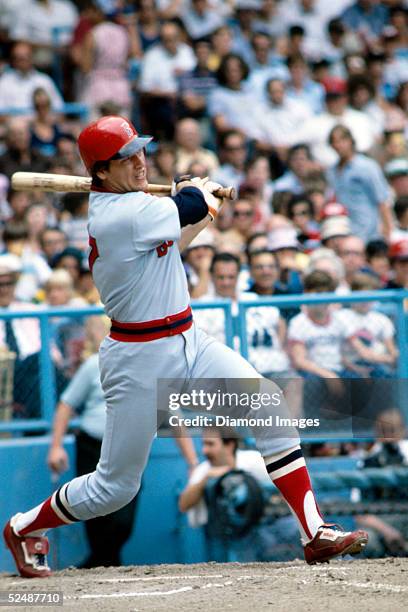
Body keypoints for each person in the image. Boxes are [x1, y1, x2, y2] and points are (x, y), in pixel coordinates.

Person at [3, 115, 368, 578]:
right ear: (100, 172)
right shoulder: (119, 214)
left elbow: (175, 238)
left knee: (268, 406)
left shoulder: (136, 207)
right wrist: (195, 189)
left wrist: (201, 204)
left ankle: (313, 532)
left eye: (141, 151)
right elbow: (188, 207)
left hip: (188, 338)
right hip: (138, 357)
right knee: (113, 489)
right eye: (127, 157)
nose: (139, 162)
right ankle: (21, 527)